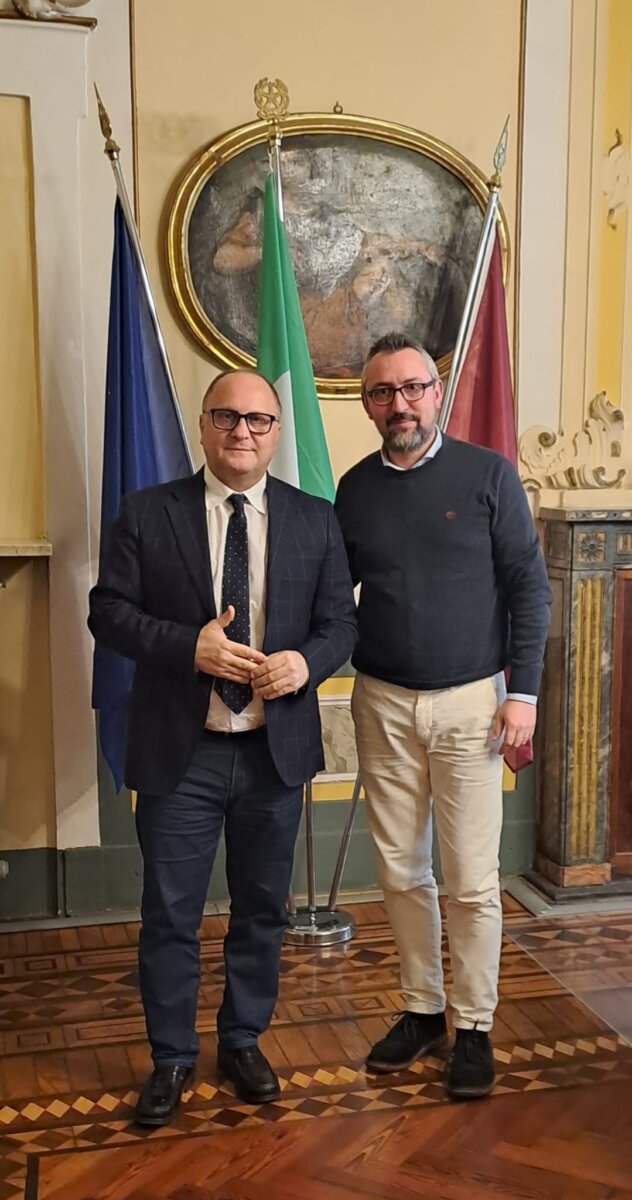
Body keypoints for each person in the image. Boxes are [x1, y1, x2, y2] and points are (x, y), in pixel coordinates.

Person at [88, 370, 356, 1125]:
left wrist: (305, 663)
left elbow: (341, 624)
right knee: (170, 914)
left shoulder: (315, 519)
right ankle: (171, 1056)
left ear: (276, 431)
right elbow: (107, 612)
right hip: (183, 755)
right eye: (227, 417)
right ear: (204, 426)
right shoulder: (148, 512)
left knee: (263, 908)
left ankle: (242, 1040)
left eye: (258, 420)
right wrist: (189, 647)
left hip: (274, 751)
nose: (243, 431)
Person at [334, 333, 551, 1101]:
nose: (400, 404)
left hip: (473, 708)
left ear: (437, 394)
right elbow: (334, 598)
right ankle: (424, 1010)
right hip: (382, 703)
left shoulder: (488, 476)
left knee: (471, 879)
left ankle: (475, 1024)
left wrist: (523, 694)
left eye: (413, 388)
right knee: (400, 870)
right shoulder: (354, 490)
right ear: (368, 406)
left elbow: (529, 588)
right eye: (383, 392)